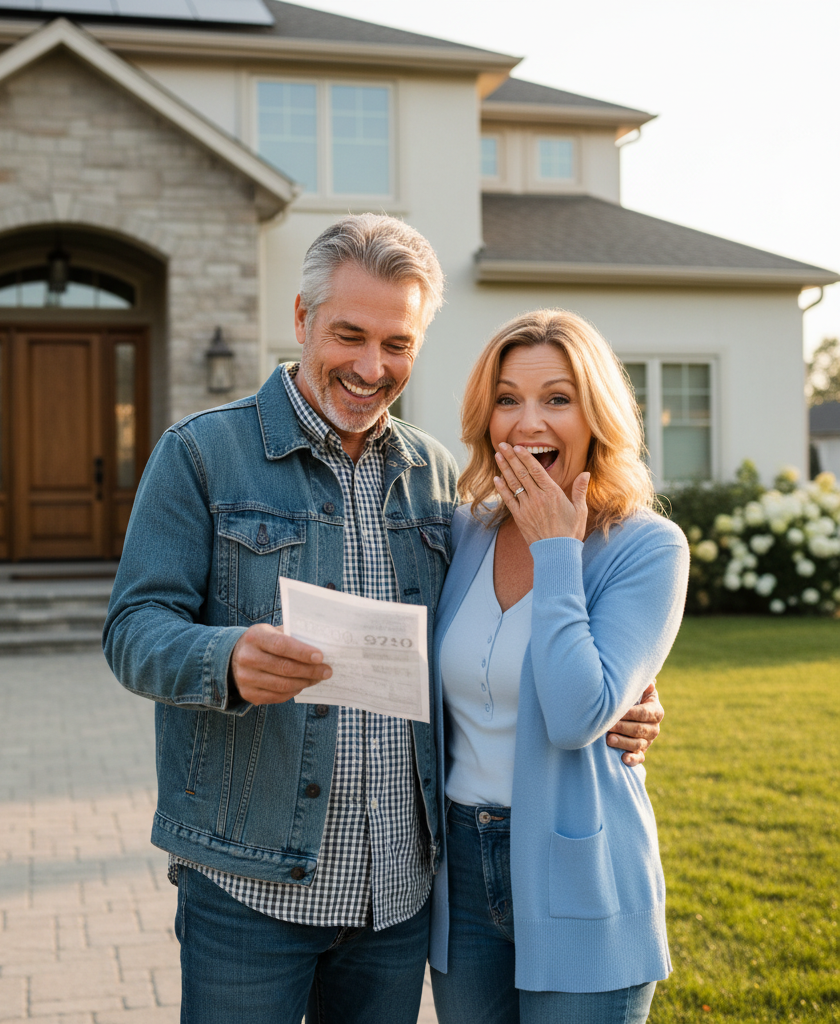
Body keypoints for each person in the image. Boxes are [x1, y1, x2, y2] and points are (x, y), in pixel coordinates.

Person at [103, 217, 663, 1024]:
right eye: (349, 335)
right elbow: (132, 629)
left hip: (398, 898)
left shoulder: (437, 481)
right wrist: (222, 658)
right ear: (301, 319)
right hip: (250, 884)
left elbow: (503, 634)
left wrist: (633, 693)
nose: (371, 369)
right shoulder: (201, 454)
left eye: (397, 344)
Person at [428, 309, 690, 1024]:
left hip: (584, 879)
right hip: (462, 875)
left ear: (596, 414)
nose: (528, 422)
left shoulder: (649, 547)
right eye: (508, 399)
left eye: (557, 398)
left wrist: (556, 550)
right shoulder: (466, 530)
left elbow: (578, 716)